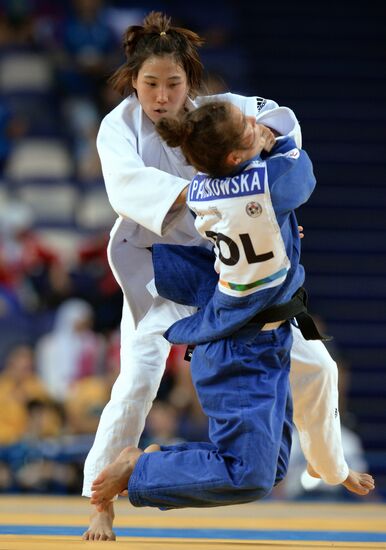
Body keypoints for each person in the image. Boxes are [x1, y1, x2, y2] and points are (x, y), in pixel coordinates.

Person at [82, 11, 360, 540]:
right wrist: (224, 197)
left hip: (220, 268)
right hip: (159, 265)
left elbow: (280, 120)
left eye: (172, 84)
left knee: (318, 364)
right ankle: (101, 498)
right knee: (138, 380)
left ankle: (329, 465)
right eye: (150, 85)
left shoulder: (219, 113)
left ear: (191, 78)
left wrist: (251, 195)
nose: (161, 96)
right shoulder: (117, 127)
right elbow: (125, 192)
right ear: (132, 82)